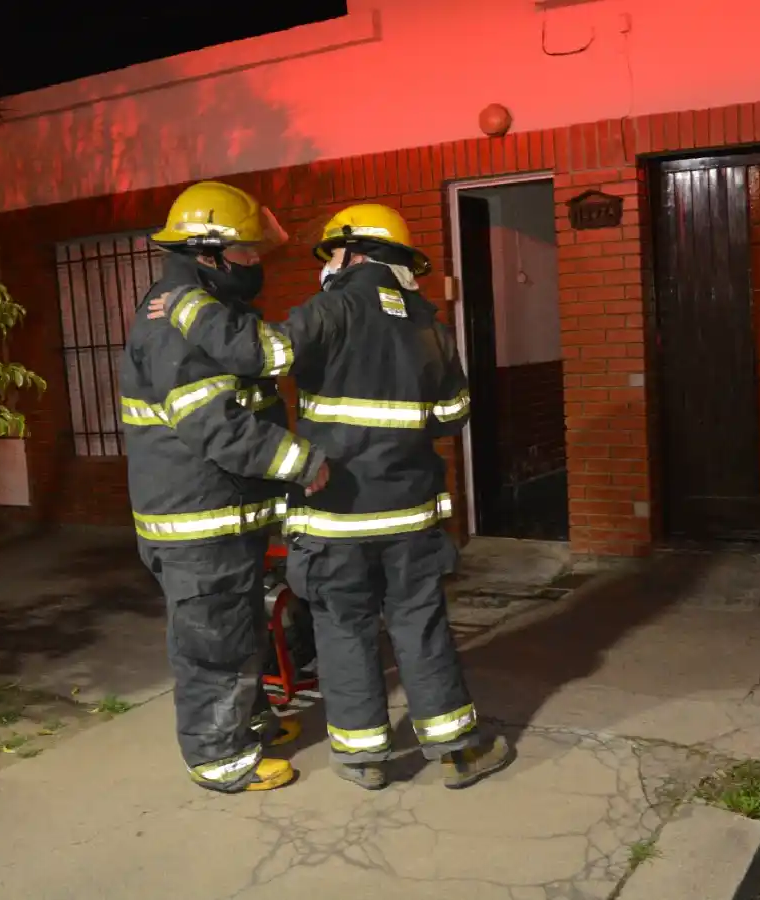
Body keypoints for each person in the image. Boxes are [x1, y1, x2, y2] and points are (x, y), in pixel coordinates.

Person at [148, 203, 512, 791]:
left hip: (335, 515)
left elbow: (262, 354)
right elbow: (453, 415)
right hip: (412, 516)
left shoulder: (332, 308)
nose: (328, 265)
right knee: (420, 625)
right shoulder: (429, 324)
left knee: (344, 627)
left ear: (352, 252)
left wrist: (191, 306)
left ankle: (363, 760)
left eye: (331, 254)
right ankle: (458, 751)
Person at [119, 180, 329, 793]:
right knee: (212, 644)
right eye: (246, 253)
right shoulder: (177, 320)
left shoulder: (207, 309)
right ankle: (219, 758)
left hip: (221, 516)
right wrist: (299, 462)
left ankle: (248, 723)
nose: (255, 264)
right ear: (208, 252)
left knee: (238, 629)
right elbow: (216, 426)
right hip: (196, 526)